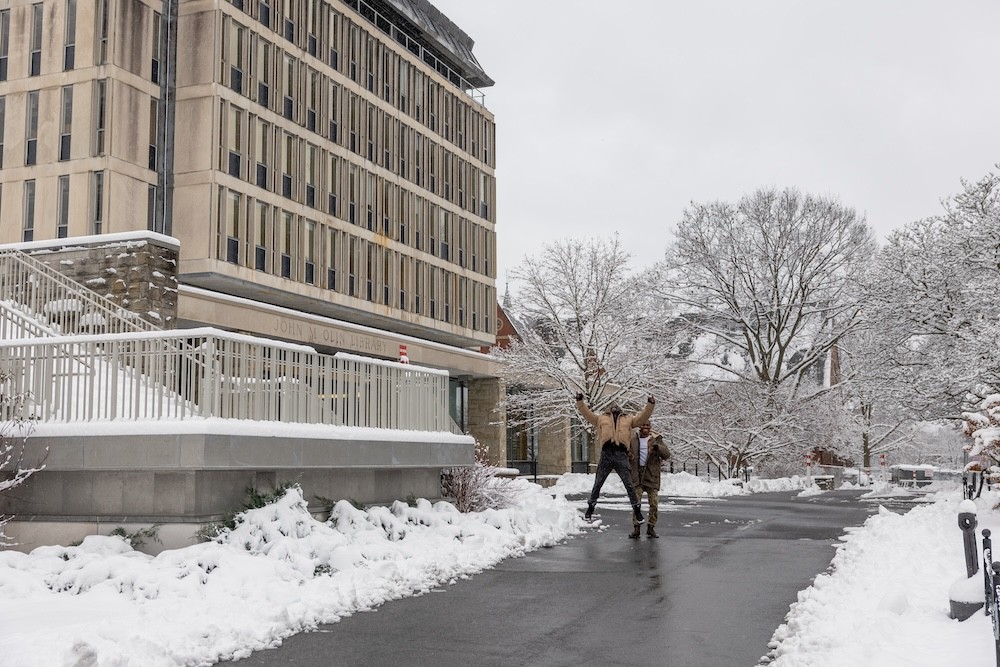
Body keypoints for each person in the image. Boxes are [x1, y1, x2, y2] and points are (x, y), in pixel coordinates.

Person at [575, 393, 655, 524]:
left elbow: (642, 418)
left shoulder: (628, 419)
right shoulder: (601, 418)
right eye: (612, 408)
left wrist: (650, 404)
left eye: (617, 408)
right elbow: (587, 414)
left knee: (629, 484)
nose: (615, 408)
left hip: (621, 454)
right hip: (607, 453)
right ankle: (590, 508)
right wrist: (580, 401)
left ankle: (637, 510)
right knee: (598, 483)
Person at [628, 421, 670, 539]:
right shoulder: (633, 440)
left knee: (654, 503)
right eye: (643, 425)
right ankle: (636, 528)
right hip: (637, 475)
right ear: (640, 427)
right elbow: (627, 453)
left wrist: (658, 448)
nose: (645, 427)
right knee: (636, 503)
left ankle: (651, 527)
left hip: (652, 475)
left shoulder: (656, 440)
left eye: (647, 425)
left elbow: (666, 455)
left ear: (650, 427)